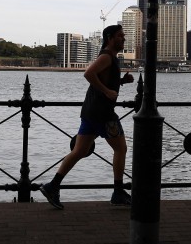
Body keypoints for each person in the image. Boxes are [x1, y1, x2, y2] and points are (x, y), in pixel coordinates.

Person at [39, 23, 135, 209]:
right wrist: (107, 91)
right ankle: (117, 192)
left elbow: (103, 78)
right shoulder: (107, 57)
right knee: (121, 149)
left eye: (123, 36)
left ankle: (53, 186)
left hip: (91, 111)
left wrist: (121, 82)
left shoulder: (110, 58)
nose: (123, 39)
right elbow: (88, 74)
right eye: (120, 36)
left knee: (80, 151)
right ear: (109, 38)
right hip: (103, 114)